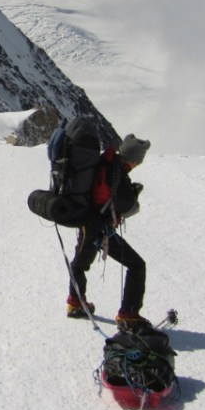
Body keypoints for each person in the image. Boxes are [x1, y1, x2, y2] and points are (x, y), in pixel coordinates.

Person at [66, 133, 152, 330]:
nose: (137, 165)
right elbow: (125, 204)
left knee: (80, 263)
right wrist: (133, 193)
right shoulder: (117, 171)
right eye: (138, 162)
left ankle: (76, 302)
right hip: (98, 227)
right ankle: (129, 314)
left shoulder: (108, 163)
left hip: (89, 222)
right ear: (134, 159)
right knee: (137, 265)